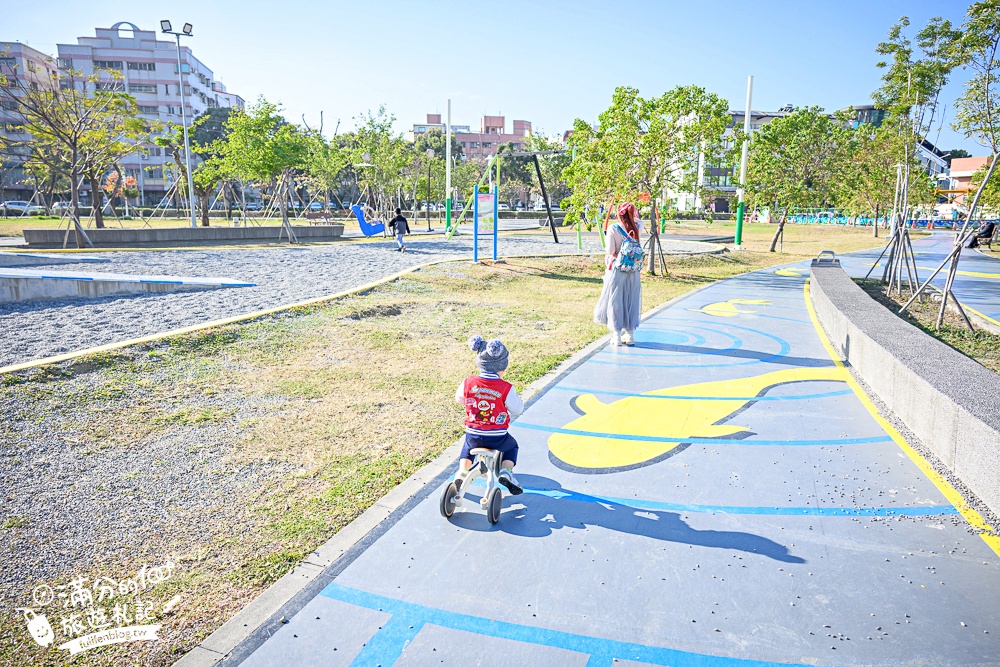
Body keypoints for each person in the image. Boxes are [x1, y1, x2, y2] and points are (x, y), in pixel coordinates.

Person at [454, 335, 523, 496]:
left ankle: (462, 472)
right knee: (512, 446)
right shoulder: (505, 387)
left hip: (474, 433)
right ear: (502, 367)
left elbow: (459, 399)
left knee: (467, 447)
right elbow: (517, 409)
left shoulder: (468, 382)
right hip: (497, 436)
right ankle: (506, 472)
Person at [595, 202, 644, 346]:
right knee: (631, 300)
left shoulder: (613, 228)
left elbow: (610, 251)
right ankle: (630, 335)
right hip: (633, 270)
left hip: (617, 269)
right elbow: (640, 221)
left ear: (618, 213)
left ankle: (616, 336)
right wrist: (634, 217)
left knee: (615, 301)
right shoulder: (637, 227)